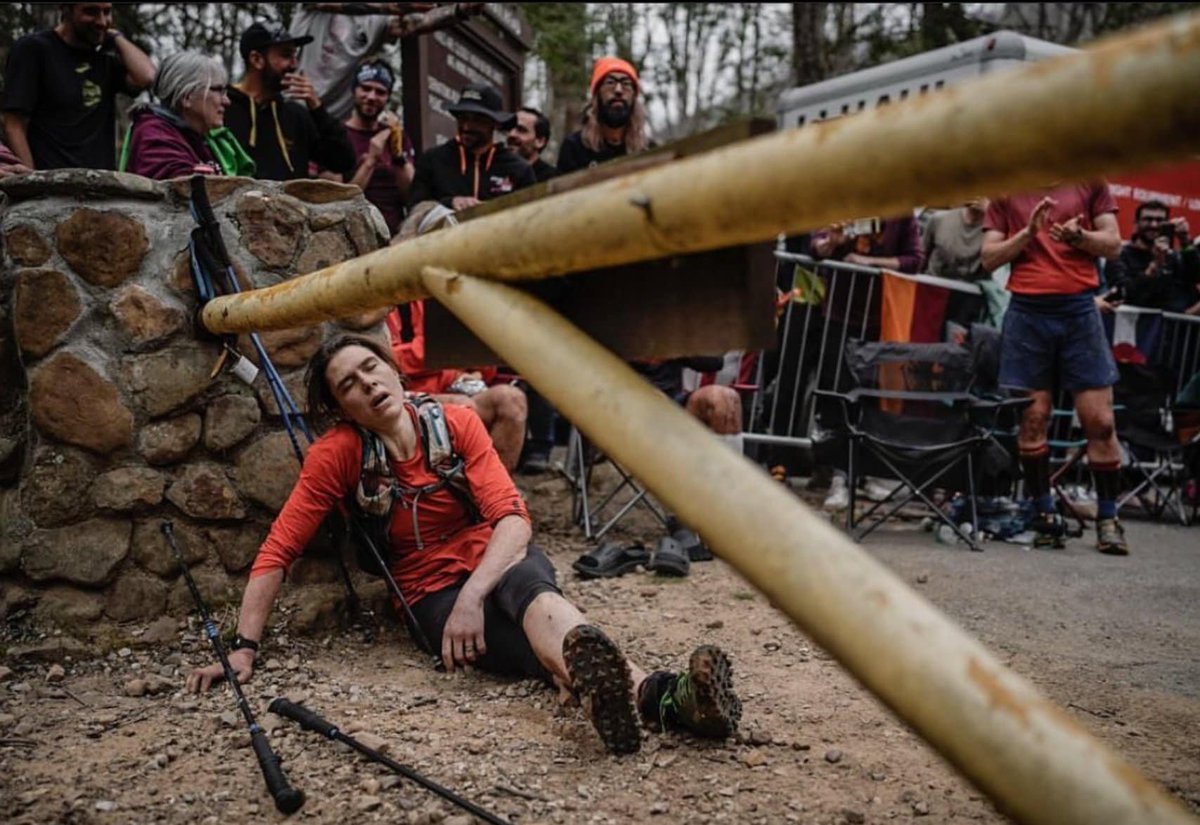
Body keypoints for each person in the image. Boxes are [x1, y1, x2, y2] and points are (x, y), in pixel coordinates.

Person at [185, 334, 743, 755]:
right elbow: (279, 548)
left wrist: (474, 597)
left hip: (493, 563)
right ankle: (666, 698)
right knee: (552, 639)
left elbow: (514, 519)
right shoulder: (337, 454)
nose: (368, 385)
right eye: (348, 385)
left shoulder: (455, 423)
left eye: (371, 368)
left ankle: (650, 697)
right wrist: (243, 648)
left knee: (536, 598)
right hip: (430, 596)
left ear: (395, 369)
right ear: (340, 407)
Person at [980, 183, 1127, 554]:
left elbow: (1113, 244)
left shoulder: (1090, 179)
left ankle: (1108, 519)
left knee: (1101, 421)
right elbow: (988, 259)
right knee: (1033, 419)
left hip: (1079, 311)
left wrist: (1081, 237)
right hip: (1028, 312)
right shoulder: (1007, 185)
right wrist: (1028, 233)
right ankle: (1043, 515)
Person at [2, 2, 155, 171]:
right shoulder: (34, 49)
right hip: (51, 183)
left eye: (107, 12)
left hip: (99, 185)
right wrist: (30, 178)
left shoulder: (104, 59)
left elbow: (147, 76)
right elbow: (13, 123)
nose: (102, 21)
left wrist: (115, 36)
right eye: (91, 12)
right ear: (66, 10)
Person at [225, 22, 355, 181]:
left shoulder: (295, 115)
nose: (294, 65)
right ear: (257, 59)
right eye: (286, 55)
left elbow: (343, 162)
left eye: (295, 56)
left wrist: (318, 109)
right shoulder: (223, 107)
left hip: (291, 206)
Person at [407, 82, 535, 210]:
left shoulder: (519, 169)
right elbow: (414, 209)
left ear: (494, 123)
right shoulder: (432, 160)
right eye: (462, 118)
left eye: (477, 120)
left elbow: (531, 217)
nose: (466, 126)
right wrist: (450, 203)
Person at [123, 51, 242, 181]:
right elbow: (185, 190)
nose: (226, 101)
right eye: (218, 91)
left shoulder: (198, 138)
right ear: (186, 97)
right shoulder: (156, 137)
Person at [289, 5, 404, 121]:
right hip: (291, 107)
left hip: (333, 121)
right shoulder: (315, 10)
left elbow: (412, 24)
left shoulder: (380, 20)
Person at [339, 60, 414, 236]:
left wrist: (397, 154)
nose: (372, 97)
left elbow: (411, 196)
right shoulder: (338, 135)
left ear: (388, 97)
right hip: (352, 235)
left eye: (380, 92)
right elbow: (338, 203)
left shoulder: (396, 135)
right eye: (365, 88)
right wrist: (370, 161)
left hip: (393, 236)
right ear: (354, 90)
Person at [557, 57, 649, 175]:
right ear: (597, 94)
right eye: (610, 82)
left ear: (634, 97)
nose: (618, 90)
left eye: (626, 84)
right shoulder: (574, 147)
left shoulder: (647, 149)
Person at [1105, 199, 1199, 315]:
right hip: (1133, 327)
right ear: (1136, 223)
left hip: (1168, 329)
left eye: (1159, 220)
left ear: (1167, 224)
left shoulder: (1173, 257)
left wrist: (1185, 241)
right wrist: (1154, 267)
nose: (1153, 225)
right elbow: (1123, 294)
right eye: (1148, 219)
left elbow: (1195, 277)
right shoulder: (1120, 255)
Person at [922, 197, 992, 329]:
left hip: (968, 301)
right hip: (932, 293)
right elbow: (921, 257)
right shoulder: (939, 219)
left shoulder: (994, 230)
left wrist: (992, 212)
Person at [507, 106, 558, 183]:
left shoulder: (552, 179)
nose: (511, 134)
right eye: (510, 128)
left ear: (540, 141)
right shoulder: (497, 171)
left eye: (521, 130)